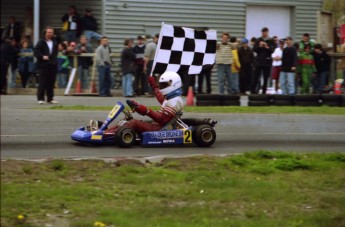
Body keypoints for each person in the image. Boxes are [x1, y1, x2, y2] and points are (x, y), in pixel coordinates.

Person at [104, 71, 184, 135]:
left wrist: (146, 111)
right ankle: (105, 132)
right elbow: (160, 97)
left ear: (174, 84)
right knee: (127, 121)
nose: (162, 87)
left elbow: (162, 120)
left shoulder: (175, 101)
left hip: (164, 129)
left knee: (134, 123)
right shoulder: (171, 98)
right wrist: (153, 85)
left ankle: (109, 134)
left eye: (165, 85)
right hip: (160, 125)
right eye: (162, 85)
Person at [34, 26, 59, 104]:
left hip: (52, 65)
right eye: (48, 32)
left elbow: (55, 52)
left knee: (51, 83)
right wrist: (42, 56)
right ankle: (40, 98)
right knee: (42, 82)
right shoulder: (41, 42)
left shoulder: (54, 42)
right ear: (45, 33)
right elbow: (36, 52)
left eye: (51, 32)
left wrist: (54, 61)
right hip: (43, 65)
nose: (50, 34)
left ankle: (50, 98)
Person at [250, 27, 275, 94]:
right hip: (259, 61)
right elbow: (254, 49)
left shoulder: (271, 40)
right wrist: (260, 46)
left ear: (267, 32)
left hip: (267, 62)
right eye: (262, 32)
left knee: (266, 79)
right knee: (256, 77)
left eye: (264, 32)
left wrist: (267, 46)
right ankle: (253, 91)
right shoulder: (258, 40)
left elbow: (272, 50)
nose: (263, 33)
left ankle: (264, 92)